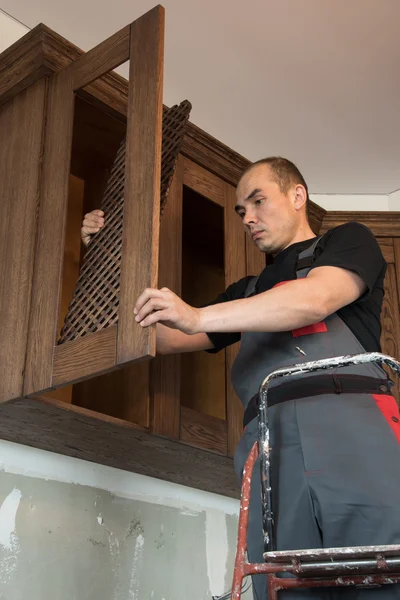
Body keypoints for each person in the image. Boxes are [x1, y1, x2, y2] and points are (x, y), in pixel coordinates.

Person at [81, 157, 400, 599]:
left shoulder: (347, 242)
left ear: (296, 196)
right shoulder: (245, 294)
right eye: (240, 210)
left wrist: (197, 315)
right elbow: (157, 337)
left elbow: (315, 299)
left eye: (257, 200)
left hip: (355, 433)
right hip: (271, 450)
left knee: (383, 571)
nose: (248, 217)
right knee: (283, 584)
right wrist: (105, 257)